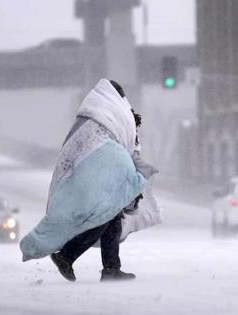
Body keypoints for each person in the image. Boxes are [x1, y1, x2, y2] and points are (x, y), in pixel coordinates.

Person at [20, 78, 159, 282]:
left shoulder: (90, 117)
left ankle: (111, 268)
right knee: (104, 215)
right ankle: (67, 256)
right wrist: (134, 172)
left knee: (111, 216)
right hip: (99, 171)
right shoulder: (115, 114)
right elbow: (125, 144)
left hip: (86, 172)